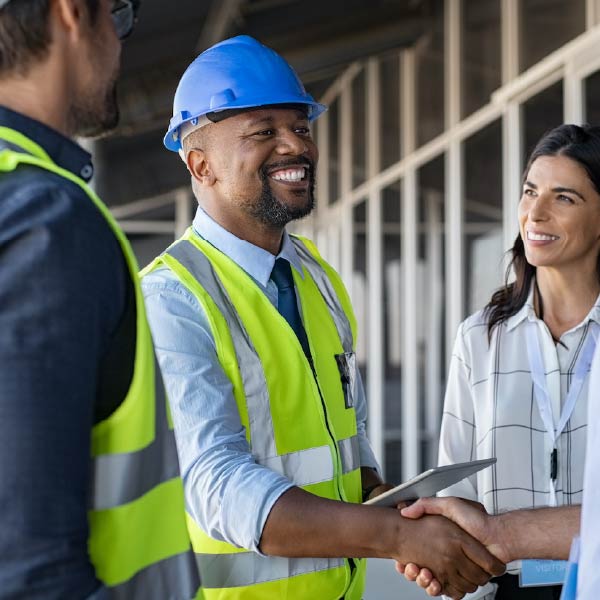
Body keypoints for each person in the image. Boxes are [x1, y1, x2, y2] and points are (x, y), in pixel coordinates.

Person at [141, 34, 505, 600]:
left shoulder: (316, 277)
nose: (296, 146)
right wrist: (395, 539)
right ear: (200, 163)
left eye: (301, 128)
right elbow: (218, 487)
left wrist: (410, 512)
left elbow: (346, 454)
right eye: (264, 131)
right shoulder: (171, 299)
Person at [0, 1, 198, 598]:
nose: (120, 40)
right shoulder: (44, 221)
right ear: (71, 12)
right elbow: (30, 573)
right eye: (119, 15)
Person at [399, 123, 600, 600]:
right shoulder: (479, 338)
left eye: (564, 198)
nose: (535, 212)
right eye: (530, 191)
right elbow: (456, 489)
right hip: (507, 590)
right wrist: (439, 553)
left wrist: (506, 532)